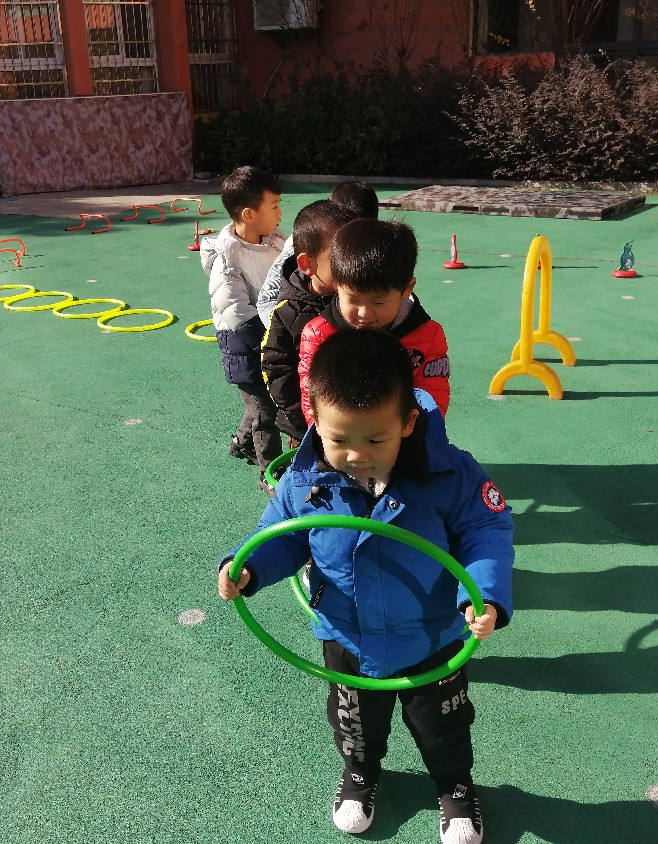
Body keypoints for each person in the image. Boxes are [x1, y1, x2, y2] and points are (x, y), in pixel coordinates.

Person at [218, 329, 514, 844]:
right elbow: (283, 536)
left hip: (431, 635)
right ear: (315, 420)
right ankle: (360, 773)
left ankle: (454, 784)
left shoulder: (450, 473)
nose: (356, 455)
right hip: (347, 636)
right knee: (353, 722)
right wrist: (249, 568)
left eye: (376, 440)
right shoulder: (304, 480)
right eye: (339, 440)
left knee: (443, 726)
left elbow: (486, 529)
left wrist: (482, 594)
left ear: (408, 422)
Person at [298, 217, 450, 430]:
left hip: (402, 437)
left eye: (378, 302)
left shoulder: (427, 336)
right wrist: (324, 434)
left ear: (406, 289)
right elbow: (311, 393)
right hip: (340, 438)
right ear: (337, 285)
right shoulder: (319, 334)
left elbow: (433, 394)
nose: (364, 313)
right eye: (352, 299)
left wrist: (416, 433)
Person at [201, 165, 286, 492]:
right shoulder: (227, 258)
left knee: (259, 404)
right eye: (274, 206)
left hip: (272, 337)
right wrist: (268, 339)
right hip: (244, 343)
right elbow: (235, 311)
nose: (280, 213)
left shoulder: (276, 241)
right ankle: (269, 472)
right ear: (249, 215)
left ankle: (241, 442)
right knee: (265, 409)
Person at [261, 199, 357, 447]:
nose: (351, 264)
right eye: (340, 258)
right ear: (308, 264)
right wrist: (303, 417)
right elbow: (276, 368)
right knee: (312, 469)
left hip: (356, 418)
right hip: (307, 425)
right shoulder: (288, 313)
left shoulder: (356, 300)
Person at [257, 181, 379, 326]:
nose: (351, 263)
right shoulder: (303, 244)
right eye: (339, 255)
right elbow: (267, 300)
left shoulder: (374, 248)